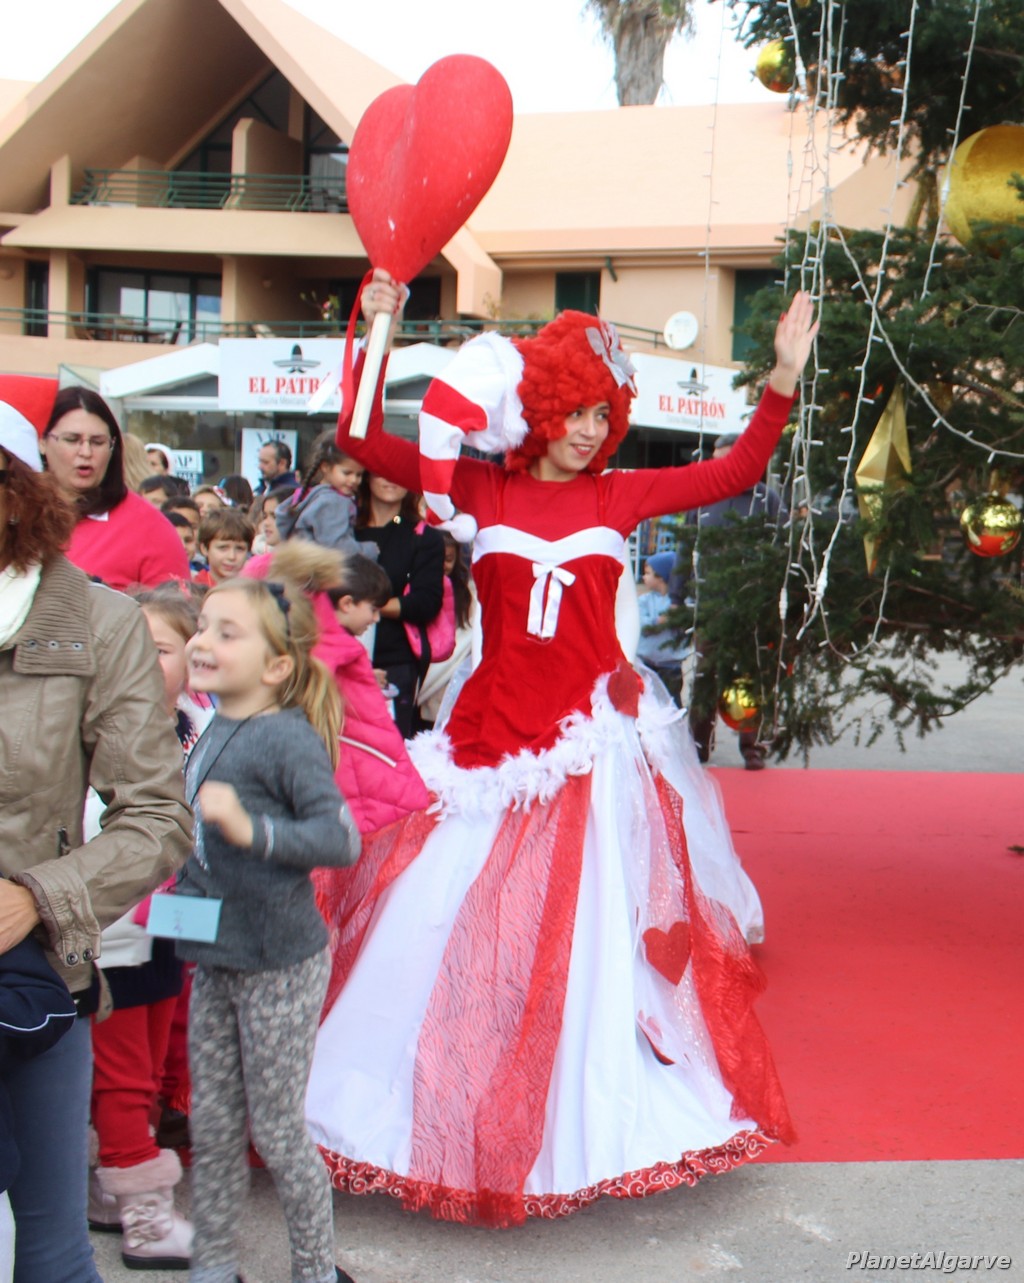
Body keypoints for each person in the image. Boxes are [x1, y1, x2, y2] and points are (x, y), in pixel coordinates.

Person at [305, 274, 816, 1227]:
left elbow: (735, 470)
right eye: (573, 411)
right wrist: (376, 327)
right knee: (436, 929)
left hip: (584, 755)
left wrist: (782, 379)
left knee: (582, 957)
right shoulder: (481, 485)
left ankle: (577, 1133)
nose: (586, 430)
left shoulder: (620, 492)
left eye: (600, 415)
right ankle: (410, 1108)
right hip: (485, 747)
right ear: (537, 408)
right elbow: (364, 436)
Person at [0, 375, 193, 1280]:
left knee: (49, 1248)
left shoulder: (98, 621)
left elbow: (156, 814)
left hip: (32, 974)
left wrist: (36, 898)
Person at [173, 563, 362, 1283]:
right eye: (201, 627)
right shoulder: (213, 725)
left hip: (279, 964)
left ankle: (315, 1270)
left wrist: (251, 829)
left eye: (227, 632)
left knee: (278, 1132)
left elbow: (339, 838)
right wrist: (166, 907)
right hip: (217, 959)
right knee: (215, 1125)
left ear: (277, 665)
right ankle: (214, 1264)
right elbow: (202, 847)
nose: (202, 641)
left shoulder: (286, 737)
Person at [88, 586, 210, 1269]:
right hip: (113, 938)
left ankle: (112, 1186)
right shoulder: (99, 733)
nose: (138, 658)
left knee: (158, 1065)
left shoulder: (197, 726)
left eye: (158, 649)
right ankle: (142, 1216)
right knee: (124, 1075)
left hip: (170, 929)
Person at [682, 439, 788, 771]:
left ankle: (752, 747)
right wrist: (676, 597)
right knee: (705, 674)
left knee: (752, 674)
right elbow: (686, 547)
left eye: (725, 459)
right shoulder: (702, 497)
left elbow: (784, 549)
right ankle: (698, 744)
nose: (718, 466)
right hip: (711, 605)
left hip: (753, 606)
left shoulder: (766, 499)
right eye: (715, 459)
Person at [40, 387, 190, 590]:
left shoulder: (150, 529)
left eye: (98, 442)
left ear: (113, 446)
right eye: (72, 440)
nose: (86, 452)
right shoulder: (14, 513)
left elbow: (174, 608)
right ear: (42, 441)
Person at [353, 472, 445, 738]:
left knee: (388, 748)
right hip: (339, 654)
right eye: (382, 471)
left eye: (399, 471)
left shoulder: (423, 536)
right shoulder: (343, 528)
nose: (391, 478)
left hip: (394, 660)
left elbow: (426, 602)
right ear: (367, 476)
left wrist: (367, 609)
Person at [275, 430, 364, 557]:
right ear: (325, 467)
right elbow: (337, 547)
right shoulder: (333, 501)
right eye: (347, 473)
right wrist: (369, 549)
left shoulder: (312, 494)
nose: (354, 480)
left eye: (359, 475)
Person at [636, 550, 689, 706]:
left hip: (671, 666)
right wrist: (659, 622)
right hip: (646, 664)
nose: (644, 577)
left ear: (661, 576)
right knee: (646, 703)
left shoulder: (679, 603)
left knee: (671, 702)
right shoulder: (644, 601)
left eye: (648, 573)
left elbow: (684, 626)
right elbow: (640, 623)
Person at [194, 508, 254, 586]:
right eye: (223, 548)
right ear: (204, 549)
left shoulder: (252, 589)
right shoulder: (194, 588)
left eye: (240, 548)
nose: (232, 556)